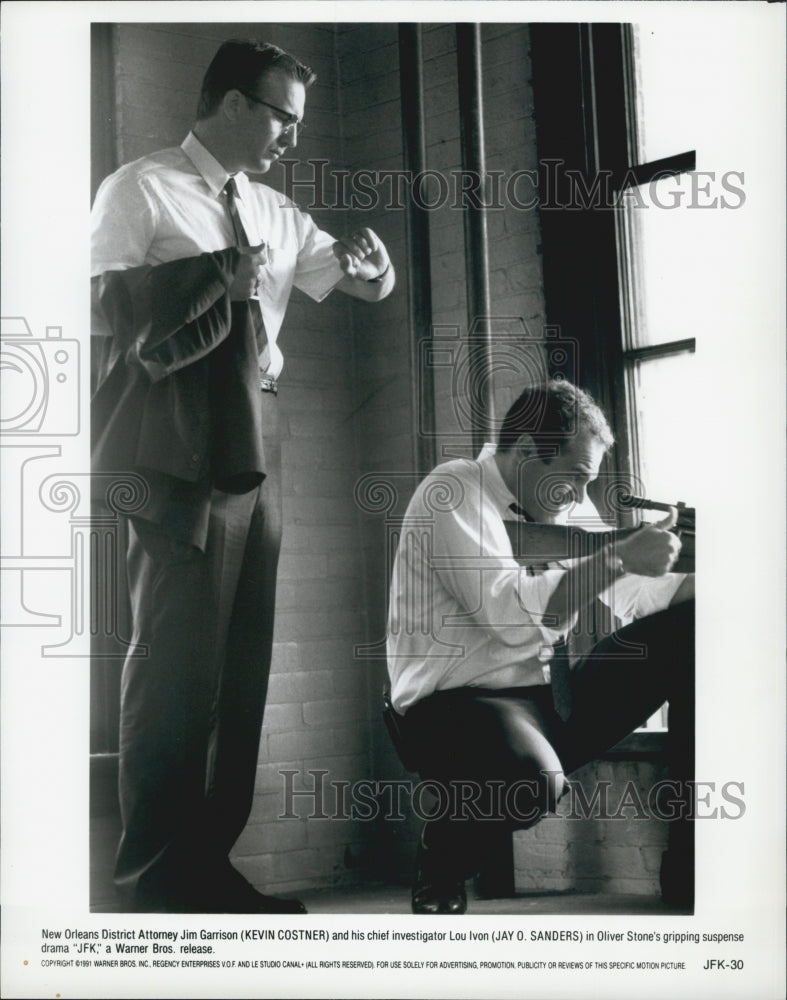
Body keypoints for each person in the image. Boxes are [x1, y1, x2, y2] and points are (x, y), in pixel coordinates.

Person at [90, 38, 394, 914]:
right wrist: (225, 275)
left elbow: (356, 280)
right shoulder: (138, 188)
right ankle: (153, 878)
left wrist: (376, 270)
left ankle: (207, 865)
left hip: (258, 427)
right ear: (229, 103)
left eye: (298, 122)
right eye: (280, 117)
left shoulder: (274, 208)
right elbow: (107, 309)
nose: (291, 138)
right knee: (173, 662)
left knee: (238, 661)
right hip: (174, 431)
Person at [386, 380, 695, 914]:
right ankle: (442, 863)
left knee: (693, 628)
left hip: (547, 704)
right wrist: (621, 555)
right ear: (528, 453)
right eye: (574, 480)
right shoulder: (453, 489)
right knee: (529, 781)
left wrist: (723, 559)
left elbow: (650, 598)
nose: (579, 497)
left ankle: (692, 862)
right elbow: (506, 614)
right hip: (455, 705)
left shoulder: (559, 511)